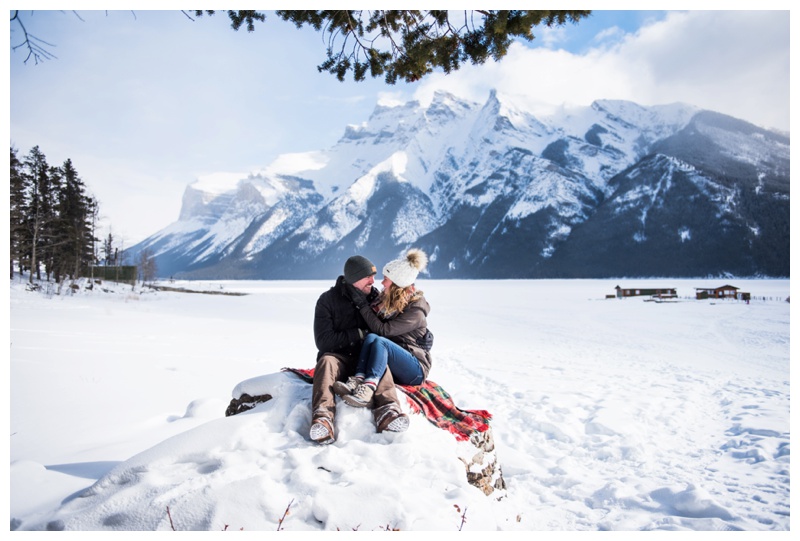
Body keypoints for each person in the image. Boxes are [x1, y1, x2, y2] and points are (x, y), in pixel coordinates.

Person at [310, 255, 410, 445]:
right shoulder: (327, 300)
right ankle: (323, 418)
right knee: (325, 362)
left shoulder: (376, 298)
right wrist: (359, 333)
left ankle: (388, 413)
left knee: (381, 364)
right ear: (354, 278)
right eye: (368, 277)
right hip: (338, 358)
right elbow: (323, 342)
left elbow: (387, 330)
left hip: (366, 359)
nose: (374, 281)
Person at [334, 248, 433, 408]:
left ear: (396, 284)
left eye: (386, 279)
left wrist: (362, 305)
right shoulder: (388, 302)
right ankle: (359, 379)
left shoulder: (415, 310)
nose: (382, 282)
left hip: (415, 369)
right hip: (396, 359)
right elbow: (374, 326)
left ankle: (368, 388)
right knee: (372, 338)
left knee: (380, 340)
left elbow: (384, 330)